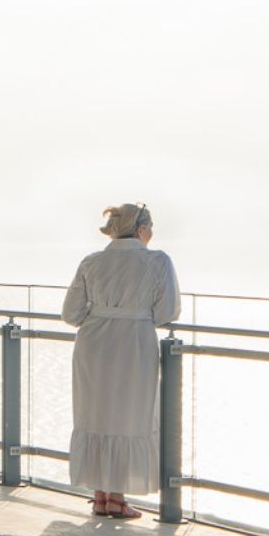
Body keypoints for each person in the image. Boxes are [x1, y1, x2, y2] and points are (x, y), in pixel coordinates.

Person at [60, 203, 179, 519]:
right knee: (129, 417)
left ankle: (101, 496)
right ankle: (117, 498)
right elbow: (167, 312)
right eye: (150, 228)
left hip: (92, 345)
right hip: (134, 344)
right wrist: (134, 314)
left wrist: (102, 313)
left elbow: (70, 314)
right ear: (141, 229)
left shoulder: (92, 262)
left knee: (95, 416)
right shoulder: (158, 261)